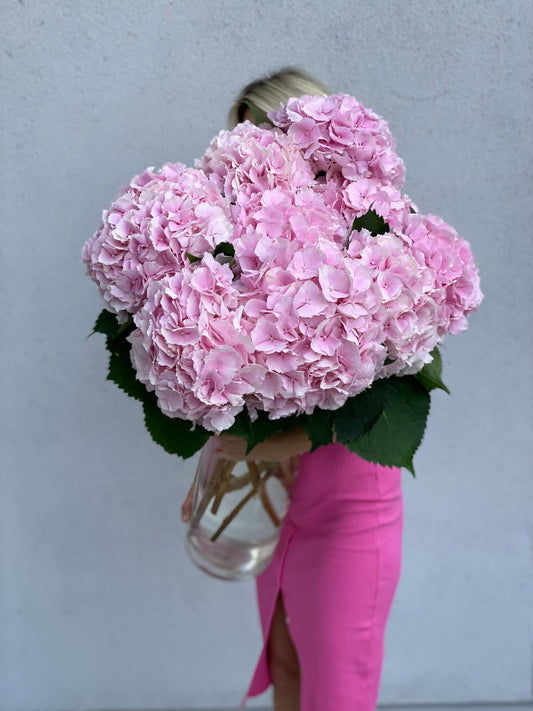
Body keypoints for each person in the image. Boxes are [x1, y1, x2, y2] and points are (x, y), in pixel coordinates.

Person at [181, 68, 404, 711]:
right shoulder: (242, 254)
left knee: (336, 692)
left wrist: (242, 453)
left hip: (348, 517)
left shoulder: (377, 238)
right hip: (282, 510)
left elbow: (371, 408)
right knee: (284, 665)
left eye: (263, 146)